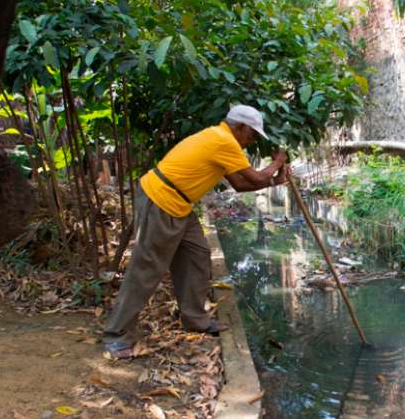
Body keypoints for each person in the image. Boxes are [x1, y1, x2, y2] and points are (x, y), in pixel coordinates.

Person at [103, 104, 290, 359]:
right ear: (239, 127)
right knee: (146, 268)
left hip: (179, 203)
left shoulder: (220, 139)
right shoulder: (223, 140)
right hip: (161, 200)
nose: (251, 140)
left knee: (198, 255)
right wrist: (277, 162)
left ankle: (194, 319)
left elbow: (239, 184)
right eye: (252, 134)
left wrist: (275, 180)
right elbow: (255, 179)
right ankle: (116, 336)